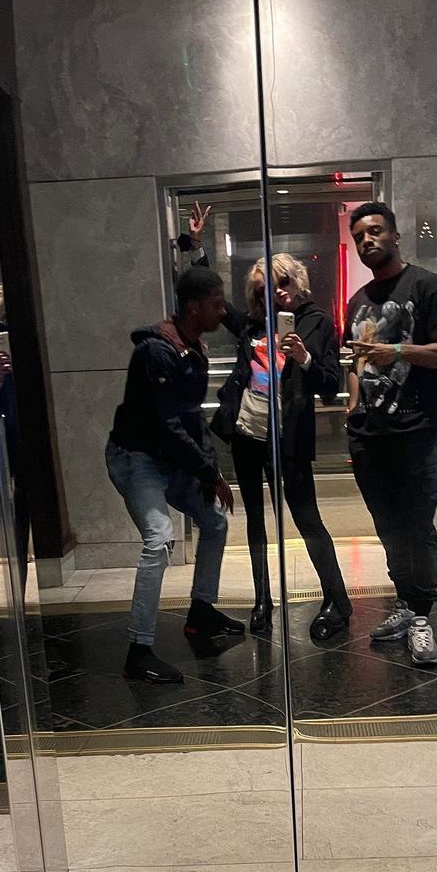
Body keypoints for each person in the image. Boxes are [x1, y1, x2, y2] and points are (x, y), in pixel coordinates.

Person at [106, 266, 244, 684]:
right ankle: (139, 651)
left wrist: (209, 470)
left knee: (214, 522)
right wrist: (208, 472)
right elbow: (168, 425)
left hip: (167, 458)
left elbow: (192, 418)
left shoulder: (192, 347)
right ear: (195, 307)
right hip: (138, 458)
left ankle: (201, 612)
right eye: (217, 304)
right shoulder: (157, 352)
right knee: (160, 540)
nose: (223, 311)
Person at [344, 201, 437, 667]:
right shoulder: (358, 301)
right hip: (368, 434)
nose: (367, 240)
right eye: (359, 235)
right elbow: (355, 360)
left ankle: (421, 615)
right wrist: (353, 406)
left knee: (417, 525)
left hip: (414, 430)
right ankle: (405, 601)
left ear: (395, 236)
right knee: (388, 527)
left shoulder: (429, 286)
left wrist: (397, 351)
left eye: (376, 231)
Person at [212, 254, 352, 640]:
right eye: (264, 289)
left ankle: (338, 601)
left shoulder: (316, 322)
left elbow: (330, 385)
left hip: (288, 439)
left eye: (283, 282)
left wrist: (304, 358)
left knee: (307, 518)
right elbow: (219, 305)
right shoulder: (254, 324)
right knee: (255, 520)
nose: (276, 292)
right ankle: (262, 600)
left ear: (297, 279)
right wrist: (195, 248)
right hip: (247, 433)